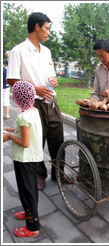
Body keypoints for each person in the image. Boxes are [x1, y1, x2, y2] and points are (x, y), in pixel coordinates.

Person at [7, 12, 68, 191]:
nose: (48, 32)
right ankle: (39, 175)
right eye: (47, 28)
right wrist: (34, 88)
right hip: (32, 104)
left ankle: (59, 172)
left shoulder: (47, 51)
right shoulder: (19, 50)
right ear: (37, 27)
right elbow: (11, 80)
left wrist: (53, 81)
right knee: (36, 141)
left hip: (51, 101)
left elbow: (50, 76)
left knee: (58, 139)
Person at [3, 81, 42, 237]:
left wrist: (9, 136)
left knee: (26, 192)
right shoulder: (34, 111)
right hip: (33, 158)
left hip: (24, 159)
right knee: (31, 188)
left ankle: (32, 227)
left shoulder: (23, 117)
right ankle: (30, 212)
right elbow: (27, 133)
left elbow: (24, 143)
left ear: (17, 99)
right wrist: (12, 129)